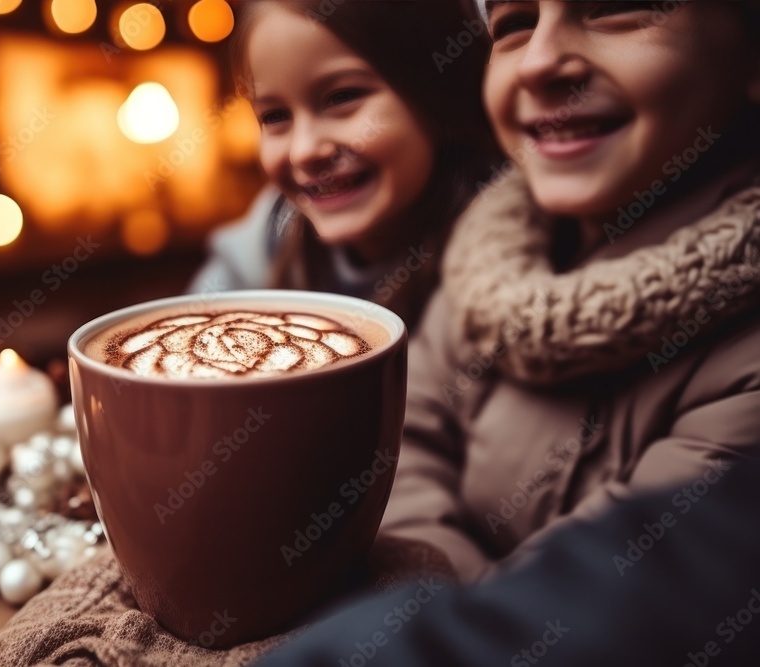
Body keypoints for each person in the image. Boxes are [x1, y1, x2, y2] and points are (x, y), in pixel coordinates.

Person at [378, 0, 760, 583]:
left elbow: (603, 600)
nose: (539, 62)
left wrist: (442, 608)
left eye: (613, 9)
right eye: (515, 23)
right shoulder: (484, 266)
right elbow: (396, 459)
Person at [257, 449, 760, 666]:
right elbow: (414, 448)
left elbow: (638, 569)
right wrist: (441, 571)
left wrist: (467, 597)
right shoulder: (480, 274)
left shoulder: (740, 347)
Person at [188, 0, 495, 331]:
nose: (304, 151)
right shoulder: (269, 234)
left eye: (342, 97)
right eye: (275, 116)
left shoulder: (505, 257)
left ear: (439, 94)